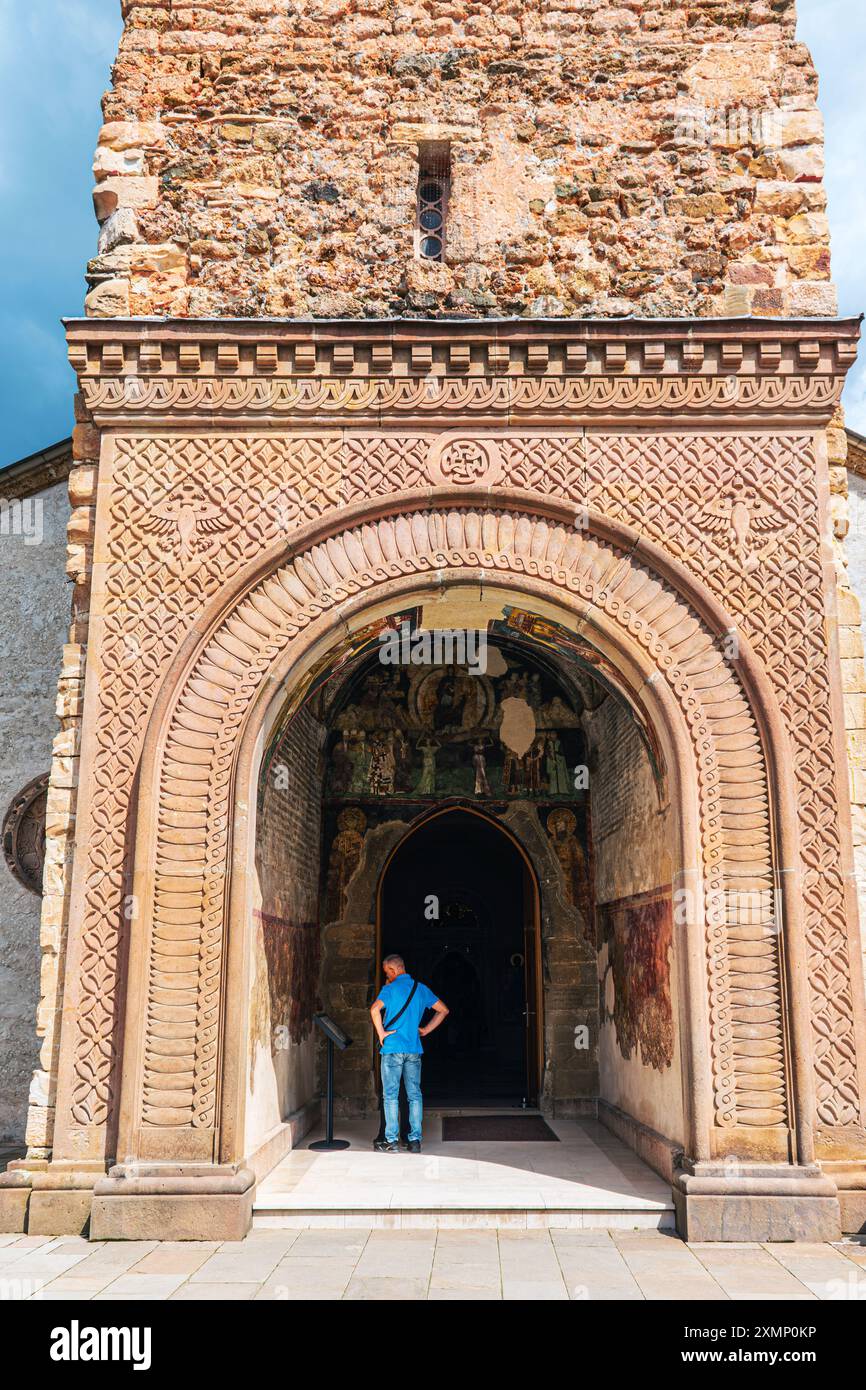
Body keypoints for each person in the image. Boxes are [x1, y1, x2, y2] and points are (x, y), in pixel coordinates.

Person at [370, 954, 448, 1154]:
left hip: (393, 1048)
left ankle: (391, 1141)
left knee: (390, 1096)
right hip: (413, 1048)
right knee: (414, 1095)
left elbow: (374, 1010)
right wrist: (426, 1030)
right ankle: (414, 1141)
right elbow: (443, 1010)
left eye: (387, 972)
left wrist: (381, 1034)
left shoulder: (389, 989)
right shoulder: (421, 989)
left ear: (393, 970)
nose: (386, 976)